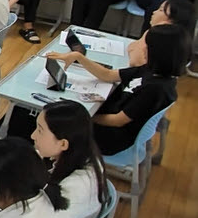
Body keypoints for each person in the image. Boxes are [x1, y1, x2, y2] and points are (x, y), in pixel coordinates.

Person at [47, 23, 187, 156]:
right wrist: (78, 57)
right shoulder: (150, 70)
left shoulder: (156, 89)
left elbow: (117, 120)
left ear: (160, 53)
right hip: (109, 119)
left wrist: (86, 118)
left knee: (53, 122)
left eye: (148, 46)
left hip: (112, 137)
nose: (143, 48)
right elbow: (108, 75)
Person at [28, 100, 109, 218]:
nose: (33, 135)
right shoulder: (83, 154)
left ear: (63, 144)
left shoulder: (73, 189)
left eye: (40, 131)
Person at [127, 0, 195, 60]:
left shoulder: (158, 38)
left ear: (171, 20)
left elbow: (135, 60)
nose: (154, 12)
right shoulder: (181, 40)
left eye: (160, 10)